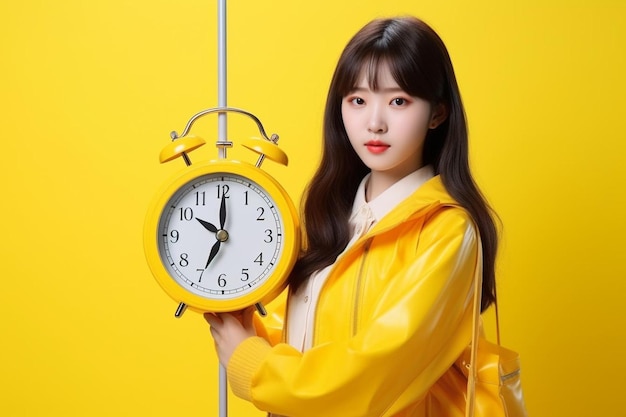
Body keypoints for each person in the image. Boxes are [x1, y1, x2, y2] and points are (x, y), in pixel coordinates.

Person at [205, 15, 499, 417]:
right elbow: (307, 340)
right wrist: (244, 325)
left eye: (399, 101)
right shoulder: (337, 213)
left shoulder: (447, 230)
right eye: (357, 100)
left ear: (438, 113)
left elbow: (375, 369)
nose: (374, 123)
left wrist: (254, 364)